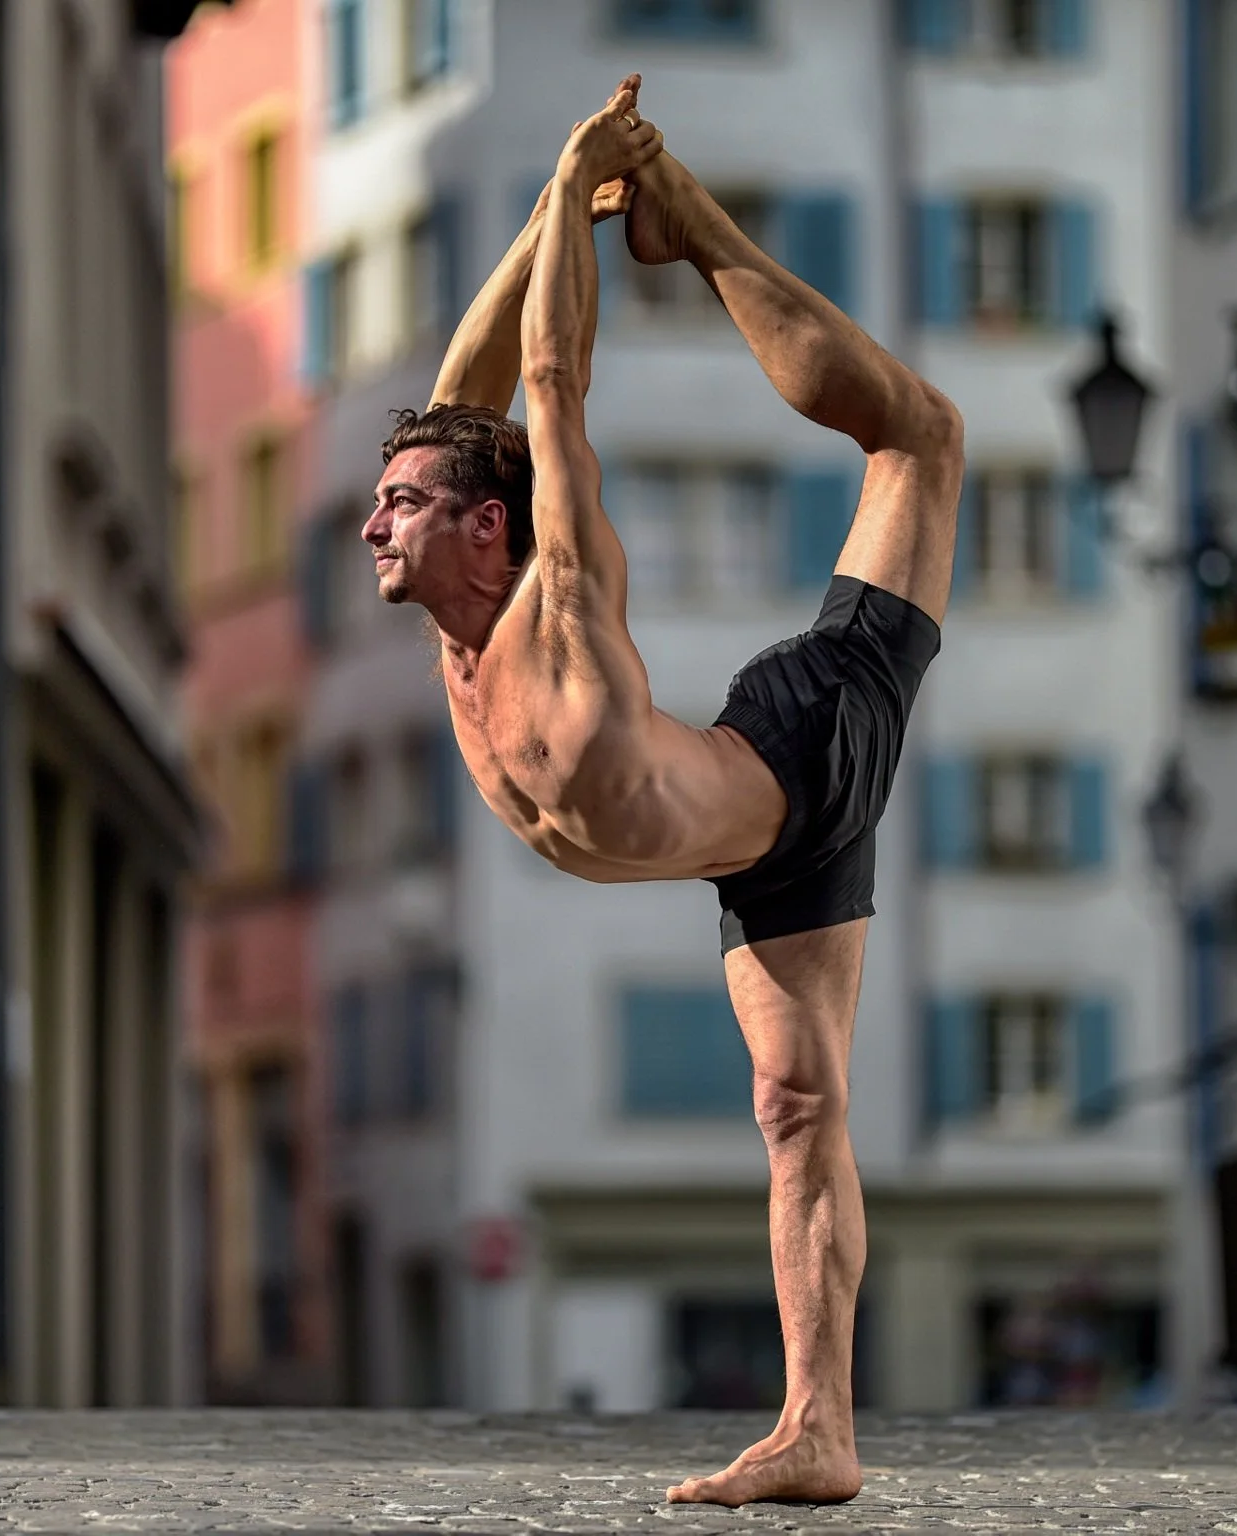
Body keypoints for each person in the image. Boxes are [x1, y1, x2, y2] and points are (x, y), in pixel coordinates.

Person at [362, 76, 963, 1507]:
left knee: (919, 437)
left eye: (401, 502)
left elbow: (549, 383)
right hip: (751, 850)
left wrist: (590, 191)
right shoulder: (451, 638)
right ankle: (817, 1432)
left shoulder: (554, 605)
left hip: (811, 742)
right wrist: (553, 198)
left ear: (487, 525)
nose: (372, 521)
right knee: (793, 1102)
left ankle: (694, 225)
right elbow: (471, 385)